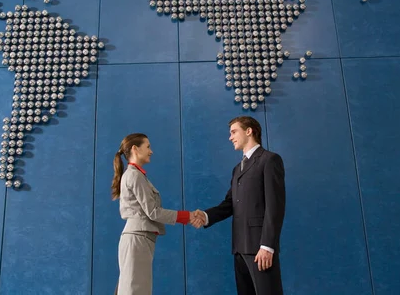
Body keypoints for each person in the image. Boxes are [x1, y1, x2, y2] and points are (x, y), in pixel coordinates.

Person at [192, 116, 286, 295]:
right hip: (239, 248)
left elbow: (275, 207)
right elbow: (229, 204)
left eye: (234, 132)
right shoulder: (237, 169)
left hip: (260, 248)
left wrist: (267, 246)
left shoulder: (270, 160)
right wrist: (205, 216)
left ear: (249, 131)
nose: (230, 137)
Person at [112, 133, 203, 295]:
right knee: (135, 291)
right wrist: (188, 216)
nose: (151, 151)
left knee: (133, 289)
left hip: (139, 238)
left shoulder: (135, 175)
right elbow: (153, 212)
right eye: (148, 146)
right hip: (137, 239)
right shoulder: (134, 175)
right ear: (135, 149)